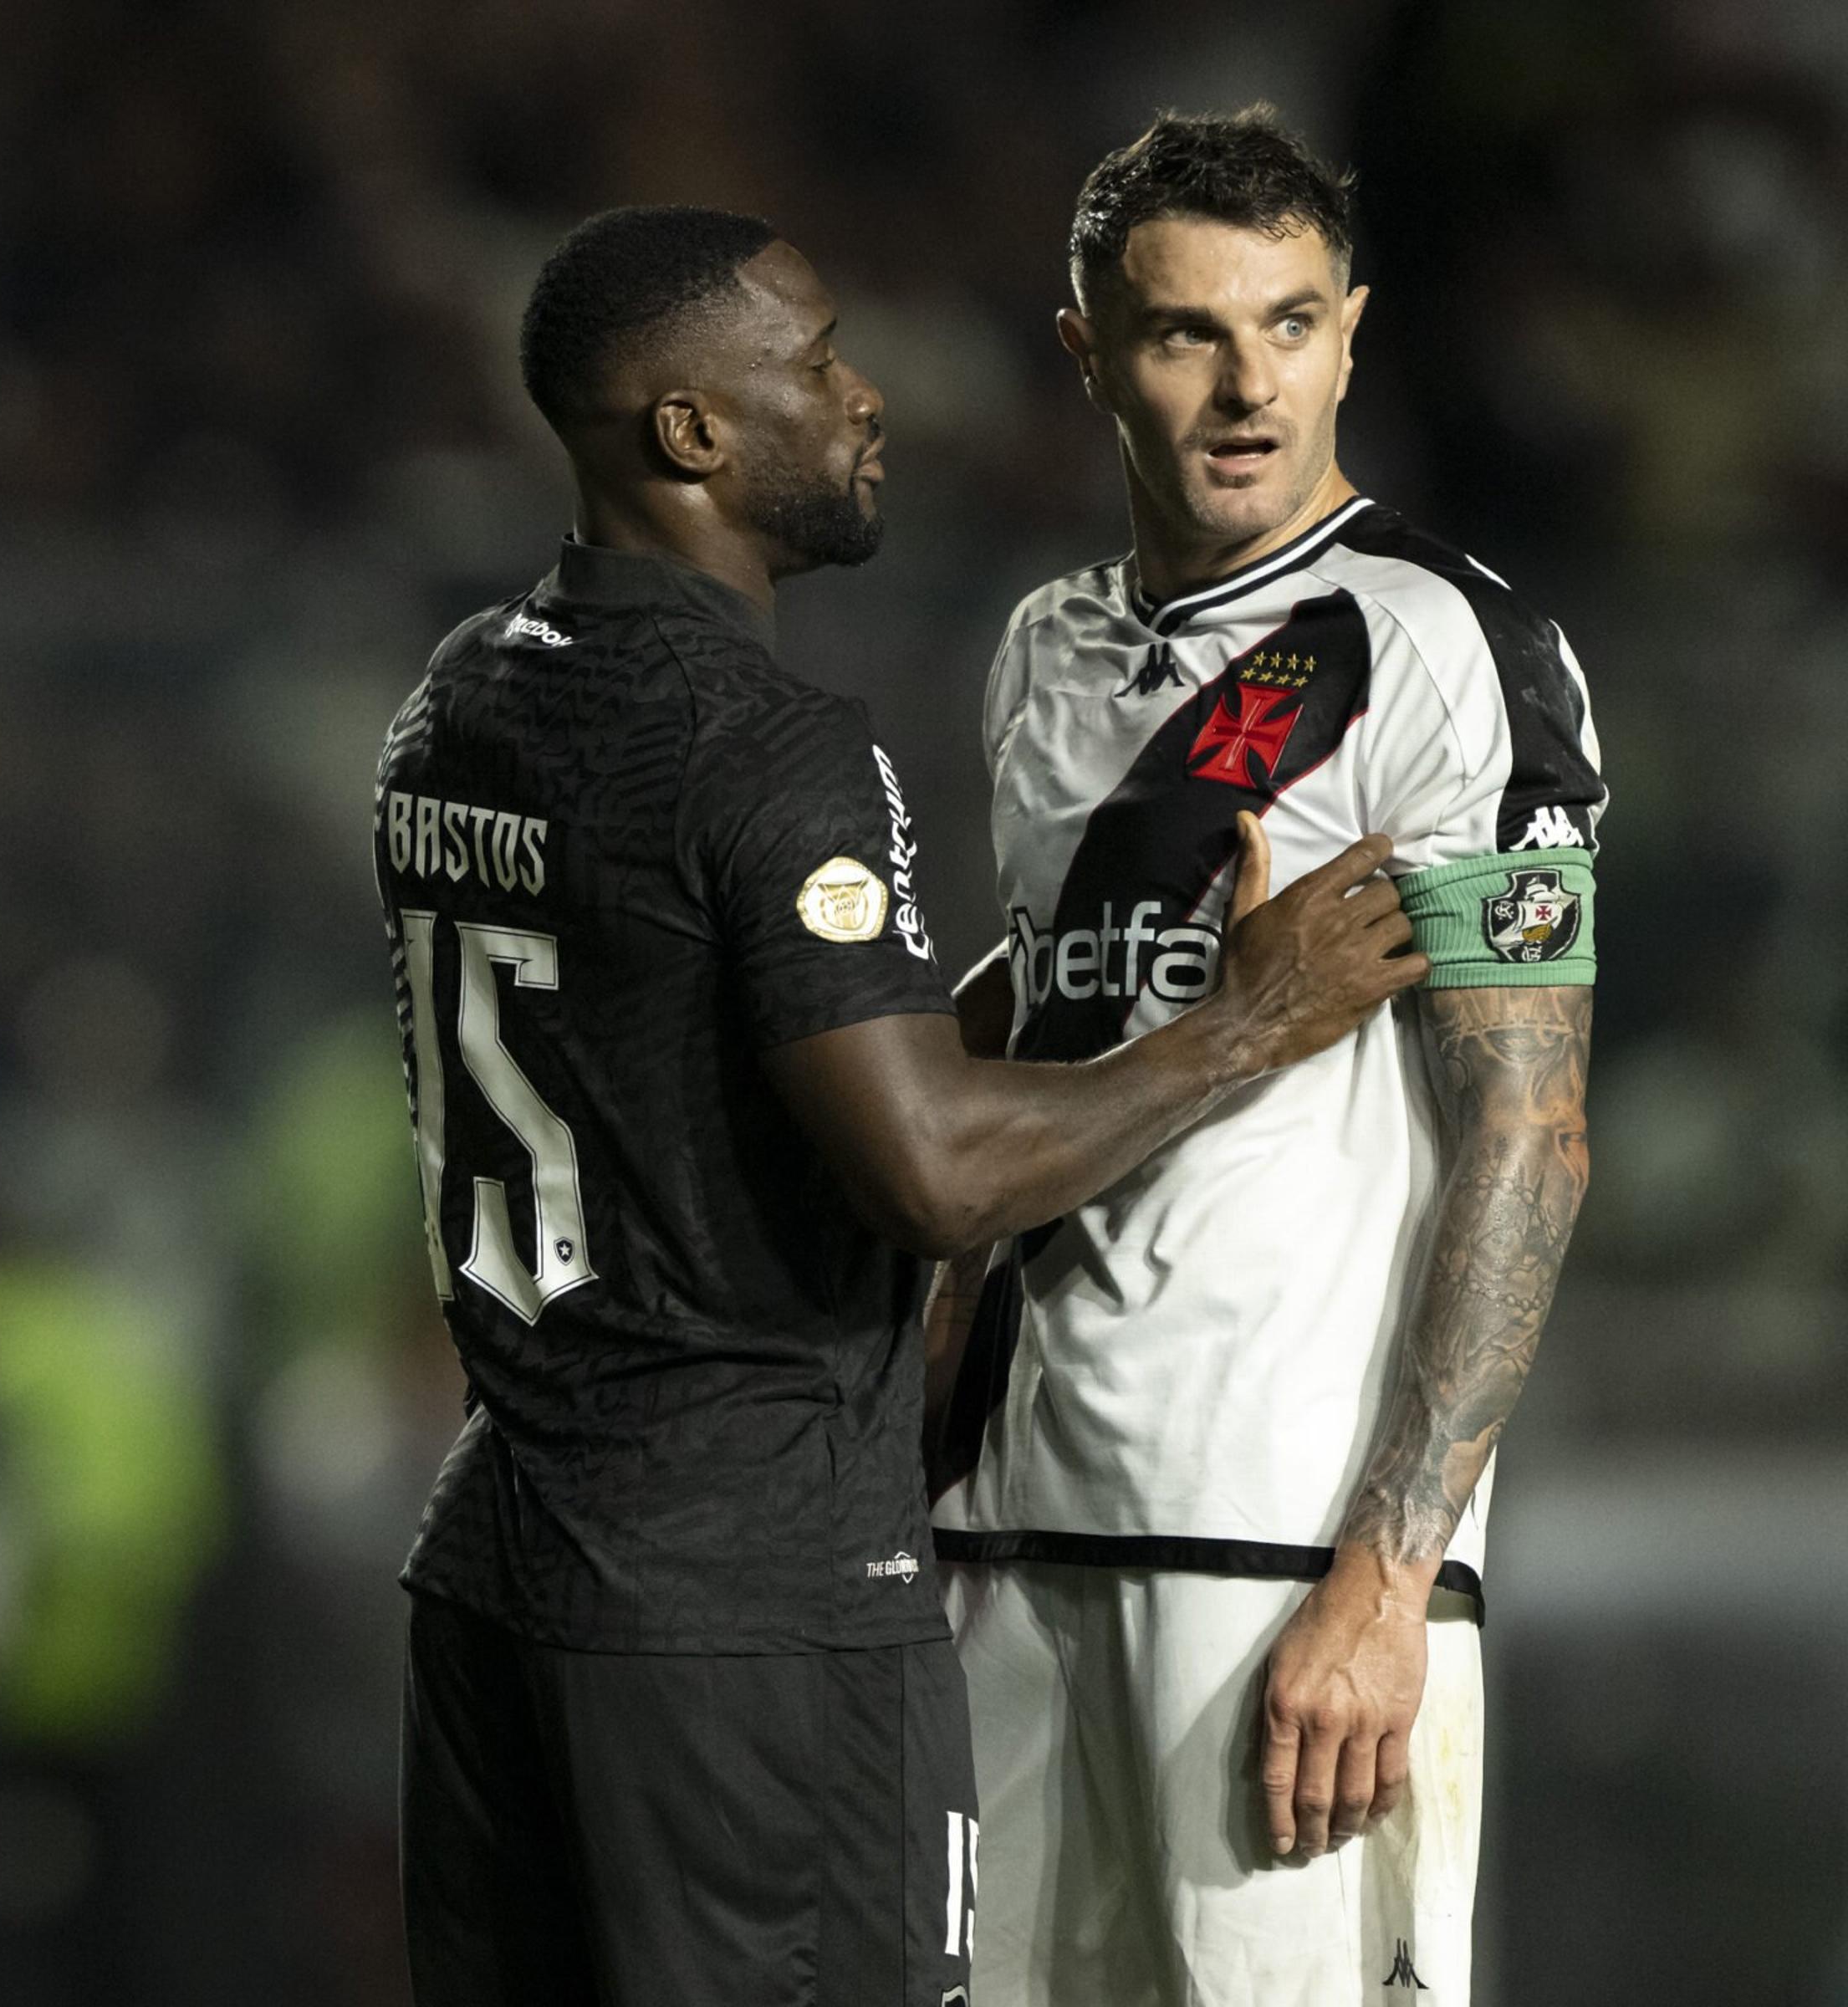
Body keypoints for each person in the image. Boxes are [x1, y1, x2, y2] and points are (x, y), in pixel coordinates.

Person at [378, 203, 1427, 2007]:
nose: (863, 400)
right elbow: (934, 1174)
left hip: (500, 1568)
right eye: (812, 361)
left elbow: (681, 1049)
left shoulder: (464, 698)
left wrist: (1013, 1002)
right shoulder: (768, 744)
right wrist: (1243, 1023)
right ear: (692, 434)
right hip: (748, 1606)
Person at [928, 108, 1603, 2007]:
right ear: (1085, 347)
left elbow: (1532, 1135)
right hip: (998, 1538)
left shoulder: (1448, 650)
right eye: (1183, 335)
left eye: (1289, 326)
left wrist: (1390, 1579)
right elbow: (1061, 1006)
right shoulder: (1043, 649)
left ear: (1354, 333)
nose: (1244, 388)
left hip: (1274, 1566)